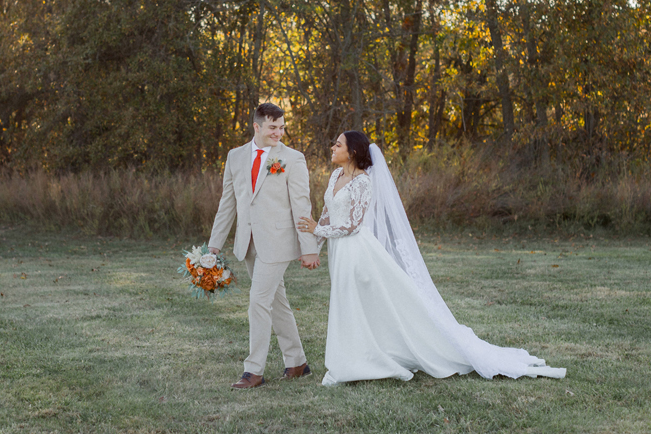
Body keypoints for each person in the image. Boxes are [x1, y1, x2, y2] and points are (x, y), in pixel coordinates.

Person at [297, 131, 566, 386]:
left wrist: (316, 230)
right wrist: (314, 248)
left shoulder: (363, 181)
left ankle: (355, 362)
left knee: (356, 303)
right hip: (339, 252)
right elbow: (327, 215)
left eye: (338, 144)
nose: (332, 147)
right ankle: (357, 356)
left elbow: (353, 225)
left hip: (358, 251)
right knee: (348, 303)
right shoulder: (334, 176)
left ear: (353, 151)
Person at [209, 103, 321, 389]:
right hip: (248, 242)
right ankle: (297, 363)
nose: (279, 133)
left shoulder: (293, 159)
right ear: (257, 127)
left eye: (282, 127)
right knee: (277, 302)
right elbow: (228, 203)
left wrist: (309, 246)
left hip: (278, 240)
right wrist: (214, 246)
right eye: (273, 127)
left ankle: (253, 371)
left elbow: (301, 203)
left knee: (258, 301)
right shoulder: (235, 157)